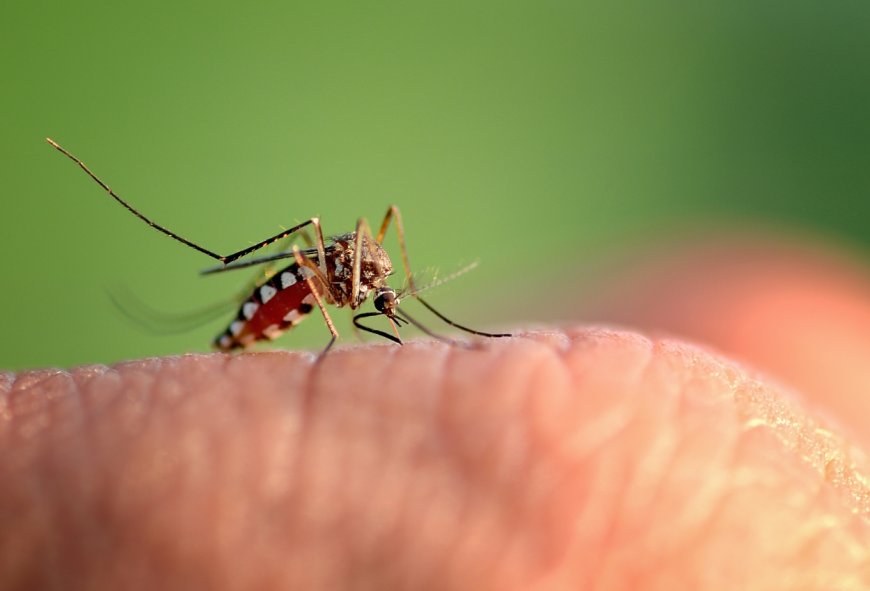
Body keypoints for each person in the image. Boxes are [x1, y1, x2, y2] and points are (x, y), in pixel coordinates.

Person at [1, 237, 868, 589]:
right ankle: (218, 271)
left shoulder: (376, 276)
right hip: (286, 284)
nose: (383, 295)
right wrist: (323, 314)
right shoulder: (336, 278)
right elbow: (337, 270)